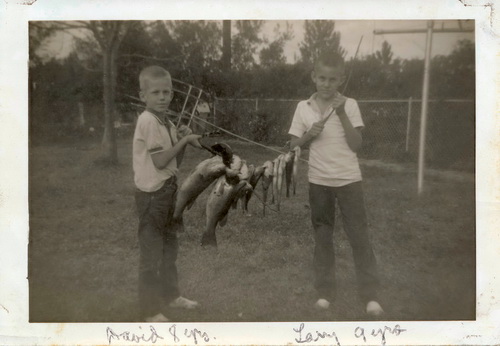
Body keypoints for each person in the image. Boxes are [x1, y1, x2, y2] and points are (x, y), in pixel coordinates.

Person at [288, 50, 384, 317]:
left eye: (332, 79)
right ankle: (325, 293)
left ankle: (370, 296)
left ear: (341, 80)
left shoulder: (349, 104)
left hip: (349, 180)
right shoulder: (302, 107)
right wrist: (309, 135)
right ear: (313, 77)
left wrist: (341, 114)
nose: (327, 84)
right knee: (322, 238)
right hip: (319, 181)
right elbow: (292, 145)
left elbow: (357, 145)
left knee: (359, 237)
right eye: (322, 78)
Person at [133, 66, 203, 322]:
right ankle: (150, 310)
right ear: (143, 96)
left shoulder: (167, 122)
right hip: (152, 196)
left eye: (166, 92)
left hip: (169, 192)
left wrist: (181, 138)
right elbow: (161, 161)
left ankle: (171, 295)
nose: (162, 97)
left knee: (169, 248)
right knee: (152, 253)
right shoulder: (148, 121)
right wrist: (184, 141)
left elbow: (175, 162)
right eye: (155, 92)